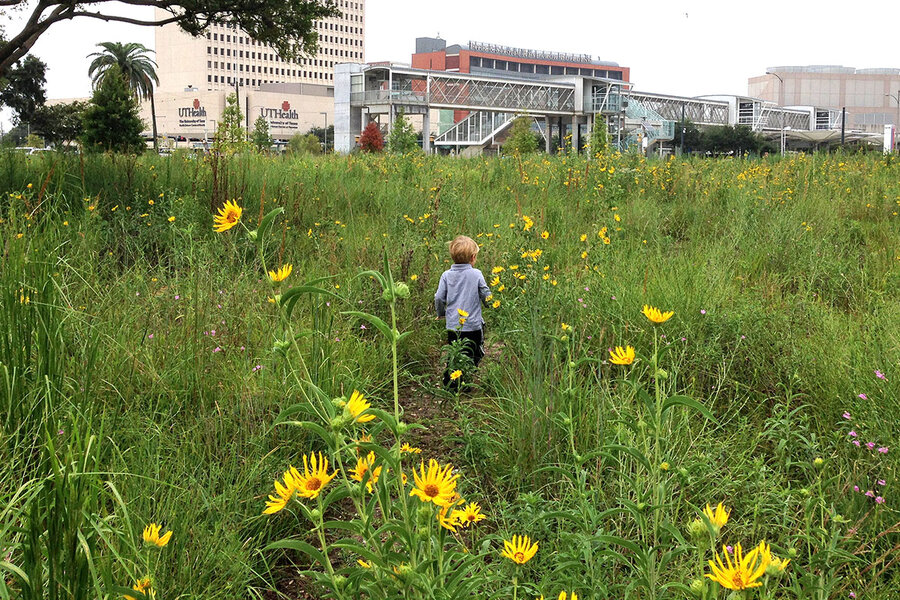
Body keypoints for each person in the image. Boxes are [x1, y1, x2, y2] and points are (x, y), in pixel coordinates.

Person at [434, 235, 491, 388]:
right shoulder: (476, 274)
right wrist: (489, 304)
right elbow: (486, 294)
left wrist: (441, 313)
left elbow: (439, 297)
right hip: (473, 325)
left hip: (454, 325)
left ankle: (452, 380)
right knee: (474, 352)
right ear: (473, 257)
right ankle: (464, 380)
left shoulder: (446, 275)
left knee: (455, 352)